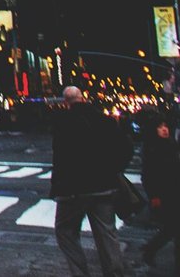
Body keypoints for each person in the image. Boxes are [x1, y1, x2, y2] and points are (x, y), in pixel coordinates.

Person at [50, 85, 133, 276]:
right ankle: (114, 272)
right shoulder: (104, 120)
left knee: (65, 232)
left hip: (71, 190)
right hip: (103, 186)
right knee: (106, 234)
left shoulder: (62, 124)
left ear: (65, 102)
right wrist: (114, 168)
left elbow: (60, 158)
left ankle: (80, 272)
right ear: (83, 98)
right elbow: (126, 147)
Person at [142, 115, 180, 271]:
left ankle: (150, 249)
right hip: (164, 195)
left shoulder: (171, 145)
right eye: (160, 126)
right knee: (173, 228)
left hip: (175, 191)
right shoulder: (152, 148)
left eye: (165, 126)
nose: (164, 129)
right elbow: (148, 175)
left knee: (173, 228)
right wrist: (154, 196)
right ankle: (151, 250)